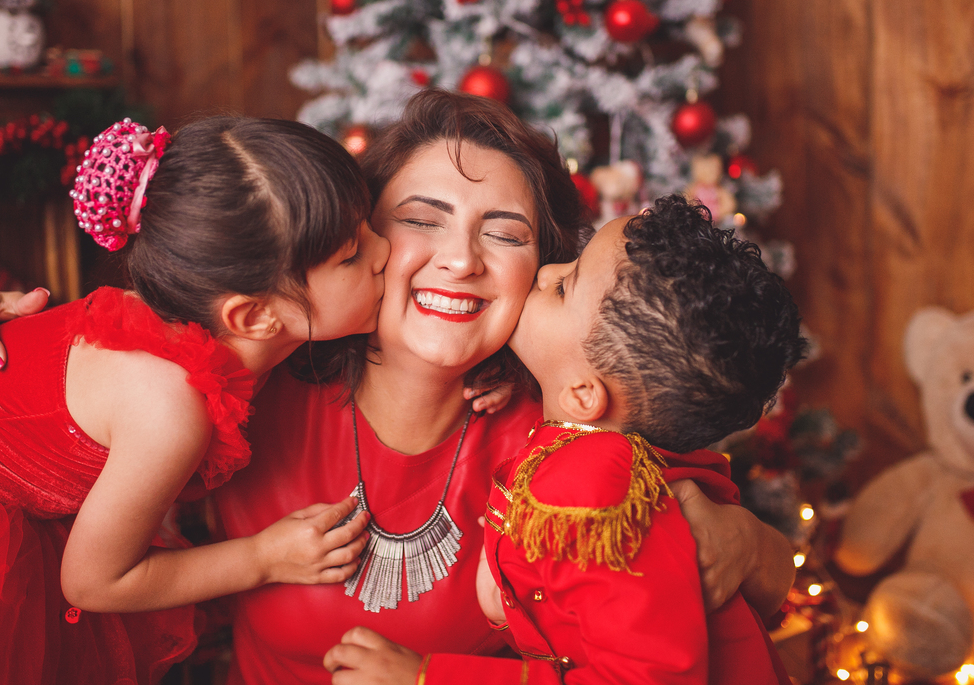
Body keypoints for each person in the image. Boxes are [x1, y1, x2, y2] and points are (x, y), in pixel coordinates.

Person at [0, 91, 797, 685]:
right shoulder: (239, 379)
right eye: (418, 221)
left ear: (548, 267)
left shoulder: (566, 438)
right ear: (345, 245)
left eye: (506, 232)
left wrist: (744, 535)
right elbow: (55, 419)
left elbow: (727, 596)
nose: (459, 258)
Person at [0, 116, 391, 684]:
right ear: (254, 316)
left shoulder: (193, 315)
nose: (386, 249)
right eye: (352, 254)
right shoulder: (169, 406)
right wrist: (264, 556)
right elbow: (92, 583)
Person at [327, 196, 803, 683]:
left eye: (564, 287)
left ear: (581, 395)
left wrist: (425, 678)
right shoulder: (602, 451)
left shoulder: (597, 483)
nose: (545, 273)